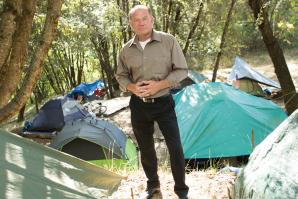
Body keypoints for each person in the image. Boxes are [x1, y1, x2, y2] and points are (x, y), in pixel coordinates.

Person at [116, 4, 189, 199]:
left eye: (144, 18)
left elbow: (182, 70)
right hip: (139, 105)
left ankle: (181, 191)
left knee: (175, 147)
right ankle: (153, 187)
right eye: (136, 20)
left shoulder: (168, 41)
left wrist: (160, 85)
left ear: (152, 20)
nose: (141, 23)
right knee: (146, 148)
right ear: (131, 24)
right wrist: (131, 87)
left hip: (164, 102)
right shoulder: (126, 50)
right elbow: (121, 76)